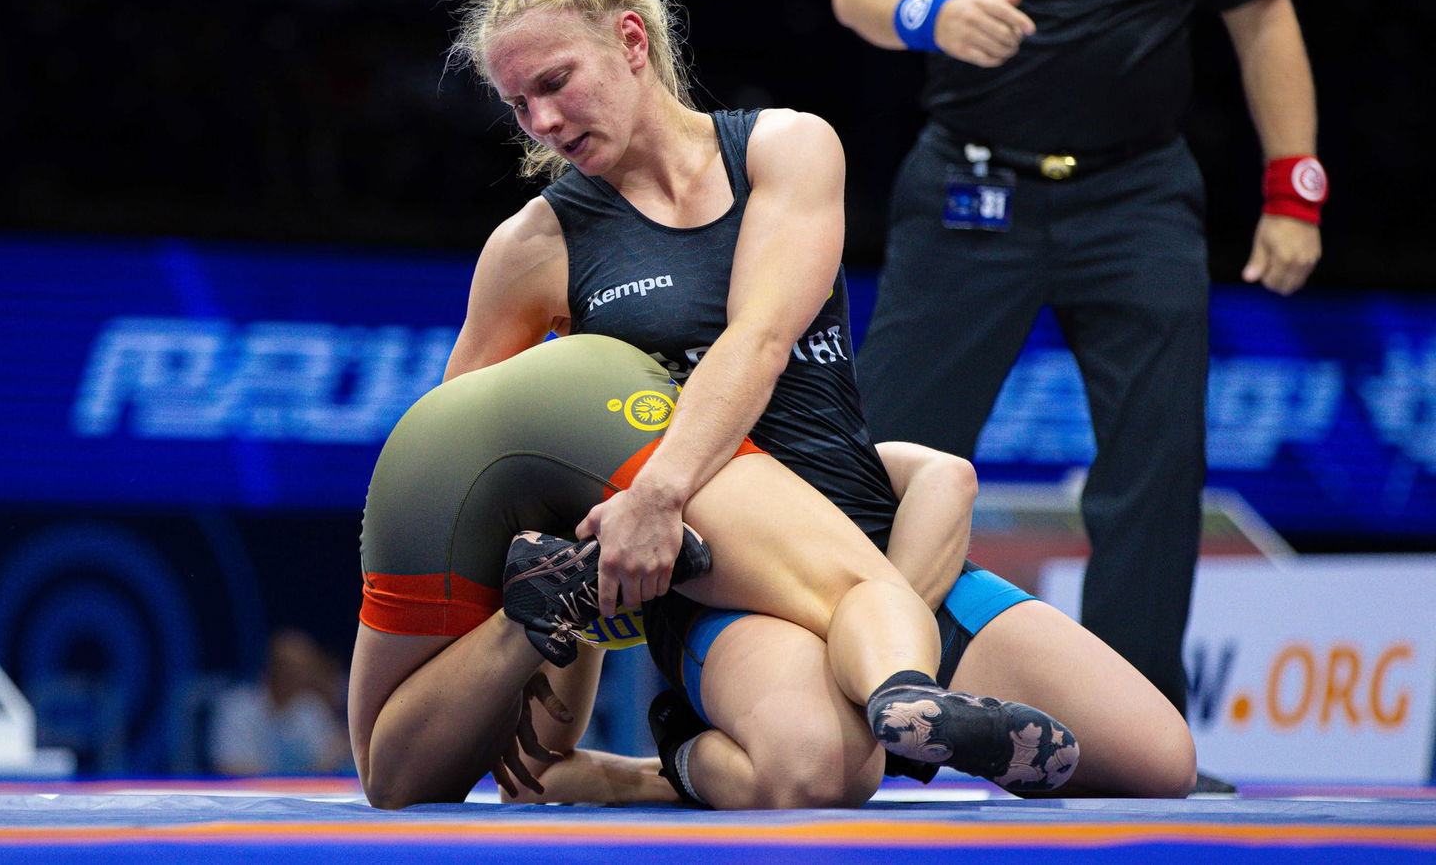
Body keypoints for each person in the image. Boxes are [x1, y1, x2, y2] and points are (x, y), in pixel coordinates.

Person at [438, 0, 1192, 806]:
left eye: (554, 84)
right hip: (725, 585)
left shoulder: (785, 149)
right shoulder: (534, 245)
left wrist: (656, 490)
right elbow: (462, 459)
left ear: (632, 42)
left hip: (871, 555)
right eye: (519, 104)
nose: (542, 122)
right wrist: (481, 668)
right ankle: (678, 756)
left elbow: (757, 339)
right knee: (811, 772)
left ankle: (894, 698)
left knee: (1158, 764)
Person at [830, 0, 1326, 788]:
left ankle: (1129, 736)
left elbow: (1260, 14)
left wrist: (1293, 187)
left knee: (1154, 467)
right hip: (972, 191)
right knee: (873, 461)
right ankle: (853, 710)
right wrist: (931, 10)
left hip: (1134, 194)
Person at [347, 332, 1079, 809]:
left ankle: (531, 620)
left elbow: (543, 774)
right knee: (859, 619)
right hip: (593, 418)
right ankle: (900, 692)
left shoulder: (780, 504)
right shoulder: (781, 485)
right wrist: (874, 659)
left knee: (394, 777)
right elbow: (929, 501)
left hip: (435, 463)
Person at [208, 627, 351, 776]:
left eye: (309, 670)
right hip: (250, 797)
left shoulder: (311, 707)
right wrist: (294, 779)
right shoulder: (236, 707)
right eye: (299, 671)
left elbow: (328, 762)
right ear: (276, 669)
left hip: (300, 796)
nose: (308, 677)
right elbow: (229, 767)